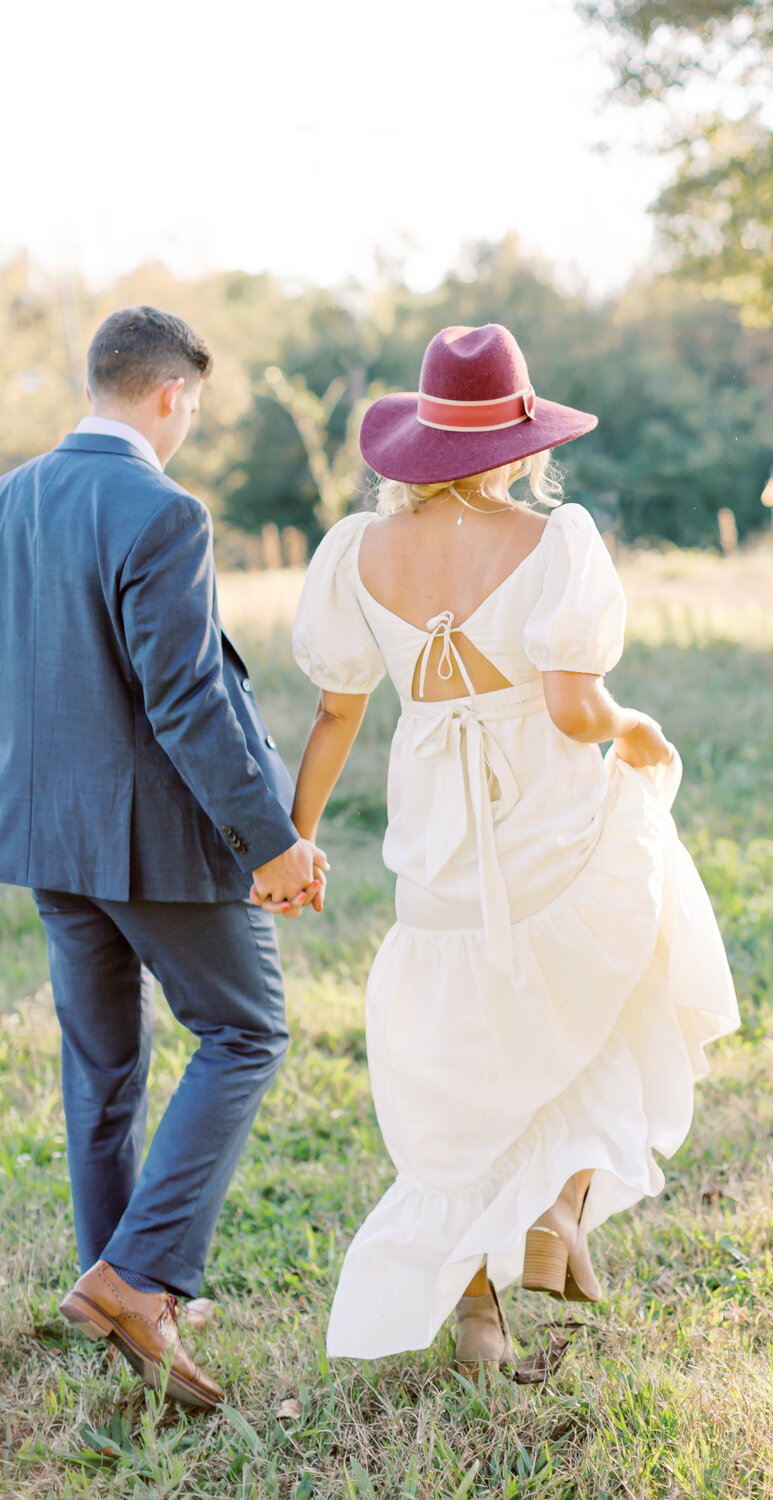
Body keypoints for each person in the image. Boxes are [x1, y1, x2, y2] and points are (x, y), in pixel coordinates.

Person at [287, 323, 739, 1374]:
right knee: (633, 954)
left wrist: (299, 838)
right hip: (545, 824)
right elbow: (576, 710)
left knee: (453, 1055)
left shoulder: (356, 552)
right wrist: (636, 735)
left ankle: (479, 1311)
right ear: (520, 443)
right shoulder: (555, 540)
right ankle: (559, 1206)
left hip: (436, 837)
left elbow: (334, 714)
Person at [0, 306, 326, 1410]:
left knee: (102, 1067)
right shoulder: (163, 510)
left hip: (49, 834)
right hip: (152, 844)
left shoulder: (15, 496)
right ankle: (138, 1280)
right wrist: (271, 843)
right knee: (247, 1029)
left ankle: (117, 1286)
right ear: (171, 394)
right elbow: (187, 702)